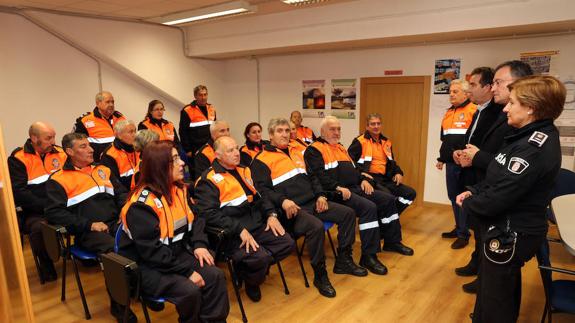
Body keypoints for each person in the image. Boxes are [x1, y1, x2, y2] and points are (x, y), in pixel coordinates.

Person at [457, 75, 565, 323]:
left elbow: (499, 197)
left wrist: (470, 203)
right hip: (505, 225)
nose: (505, 107)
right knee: (497, 287)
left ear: (530, 108)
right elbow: (499, 172)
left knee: (497, 300)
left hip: (510, 231)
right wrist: (475, 190)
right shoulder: (521, 136)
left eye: (512, 103)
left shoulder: (534, 147)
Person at [251, 118, 367, 298]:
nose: (285, 134)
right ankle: (320, 275)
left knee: (348, 214)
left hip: (313, 201)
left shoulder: (298, 152)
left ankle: (344, 260)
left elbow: (313, 177)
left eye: (287, 131)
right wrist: (283, 201)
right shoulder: (261, 160)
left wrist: (320, 195)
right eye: (279, 131)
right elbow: (263, 191)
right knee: (316, 226)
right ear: (271, 135)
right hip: (291, 209)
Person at [119, 140, 229, 323]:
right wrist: (187, 272)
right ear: (160, 167)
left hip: (174, 255)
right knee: (190, 290)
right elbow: (151, 252)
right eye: (175, 159)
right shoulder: (141, 205)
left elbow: (198, 217)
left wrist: (200, 244)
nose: (183, 163)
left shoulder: (179, 189)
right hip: (148, 266)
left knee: (215, 276)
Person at [455, 61, 534, 294]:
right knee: (480, 238)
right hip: (482, 182)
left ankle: (483, 280)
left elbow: (504, 165)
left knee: (498, 282)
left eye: (498, 83)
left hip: (499, 202)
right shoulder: (495, 111)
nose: (493, 88)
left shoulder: (514, 122)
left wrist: (477, 157)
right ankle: (479, 270)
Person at [305, 116, 412, 274]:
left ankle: (392, 240)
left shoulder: (340, 147)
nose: (336, 132)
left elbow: (354, 170)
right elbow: (318, 176)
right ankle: (369, 255)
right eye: (332, 129)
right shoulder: (314, 149)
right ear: (322, 131)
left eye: (338, 129)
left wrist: (362, 179)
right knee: (369, 208)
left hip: (354, 187)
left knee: (387, 199)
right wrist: (337, 187)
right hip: (336, 192)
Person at [44, 132, 133, 321]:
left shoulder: (103, 169)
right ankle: (119, 305)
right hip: (88, 232)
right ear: (69, 151)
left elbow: (121, 194)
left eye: (89, 145)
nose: (91, 149)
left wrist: (123, 213)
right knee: (114, 252)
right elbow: (54, 213)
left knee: (142, 237)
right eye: (83, 146)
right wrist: (89, 225)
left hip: (115, 223)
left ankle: (139, 290)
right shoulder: (58, 180)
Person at [195, 136, 294, 302]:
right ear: (217, 155)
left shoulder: (244, 169)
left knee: (287, 243)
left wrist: (271, 215)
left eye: (236, 148)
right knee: (260, 258)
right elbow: (208, 214)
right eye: (230, 150)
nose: (236, 153)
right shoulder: (209, 180)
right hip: (233, 233)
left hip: (255, 224)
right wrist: (239, 229)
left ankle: (246, 269)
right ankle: (252, 281)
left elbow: (260, 198)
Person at [8, 122, 67, 282]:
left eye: (54, 137)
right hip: (36, 210)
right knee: (39, 228)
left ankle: (85, 256)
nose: (53, 141)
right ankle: (46, 265)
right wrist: (46, 206)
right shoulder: (18, 159)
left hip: (62, 205)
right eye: (48, 138)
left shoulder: (61, 153)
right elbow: (19, 193)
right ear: (34, 138)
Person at [348, 113, 417, 214]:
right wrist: (361, 174)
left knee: (410, 193)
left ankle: (391, 218)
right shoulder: (360, 141)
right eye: (372, 124)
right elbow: (349, 161)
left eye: (378, 123)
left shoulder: (386, 142)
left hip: (385, 179)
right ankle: (388, 219)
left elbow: (391, 162)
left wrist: (398, 172)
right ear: (367, 126)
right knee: (388, 197)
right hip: (370, 178)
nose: (376, 126)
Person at [436, 80, 477, 249]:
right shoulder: (448, 113)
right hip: (451, 163)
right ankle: (459, 227)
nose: (451, 94)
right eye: (450, 91)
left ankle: (463, 234)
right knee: (453, 197)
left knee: (463, 198)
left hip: (467, 163)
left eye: (455, 91)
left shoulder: (473, 111)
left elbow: (475, 139)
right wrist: (441, 158)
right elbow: (445, 140)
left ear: (467, 93)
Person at [74, 91, 126, 162]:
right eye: (107, 102)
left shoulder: (120, 117)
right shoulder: (85, 120)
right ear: (98, 103)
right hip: (99, 163)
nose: (111, 104)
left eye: (112, 102)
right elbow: (75, 143)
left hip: (121, 161)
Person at [179, 85, 216, 162]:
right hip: (195, 149)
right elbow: (183, 131)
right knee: (196, 173)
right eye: (200, 95)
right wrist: (188, 150)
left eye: (205, 94)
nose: (203, 97)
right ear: (195, 96)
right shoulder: (187, 110)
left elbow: (215, 128)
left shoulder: (211, 108)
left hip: (210, 147)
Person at [100, 120, 139, 191]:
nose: (135, 135)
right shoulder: (109, 154)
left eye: (135, 131)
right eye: (130, 132)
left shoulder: (139, 148)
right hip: (125, 194)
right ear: (119, 135)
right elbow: (115, 184)